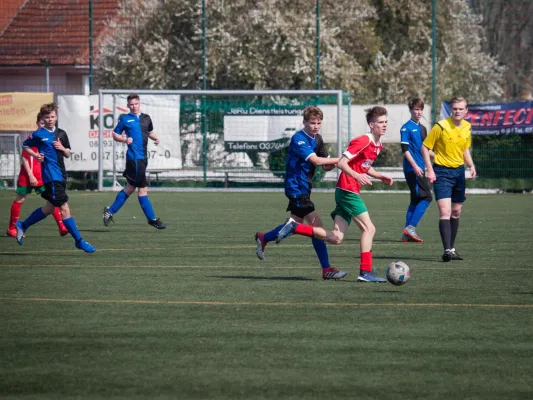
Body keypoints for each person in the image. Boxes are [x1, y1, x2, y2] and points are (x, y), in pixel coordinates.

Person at [276, 106, 394, 282]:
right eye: (380, 122)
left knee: (336, 238)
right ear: (371, 124)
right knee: (369, 229)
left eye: (386, 122)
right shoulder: (363, 141)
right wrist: (356, 175)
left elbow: (363, 165)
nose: (384, 125)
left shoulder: (378, 145)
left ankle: (296, 227)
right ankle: (365, 272)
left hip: (347, 191)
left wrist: (379, 176)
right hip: (348, 190)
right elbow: (343, 162)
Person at [254, 106, 346, 280]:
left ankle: (263, 237)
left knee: (296, 222)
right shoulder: (299, 139)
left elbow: (325, 164)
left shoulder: (317, 139)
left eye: (319, 123)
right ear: (304, 122)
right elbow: (316, 160)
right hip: (295, 187)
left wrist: (335, 161)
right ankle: (326, 269)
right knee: (317, 227)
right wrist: (341, 161)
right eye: (312, 123)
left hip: (304, 188)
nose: (316, 126)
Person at [14, 103, 95, 253]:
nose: (50, 119)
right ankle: (79, 241)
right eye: (47, 117)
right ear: (43, 119)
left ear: (56, 117)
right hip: (51, 176)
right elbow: (25, 146)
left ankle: (22, 225)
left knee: (49, 208)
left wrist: (62, 148)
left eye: (52, 116)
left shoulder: (62, 133)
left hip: (61, 175)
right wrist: (36, 155)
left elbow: (68, 153)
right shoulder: (38, 134)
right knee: (64, 208)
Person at [422, 97, 476, 262]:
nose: (458, 111)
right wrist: (430, 170)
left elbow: (465, 149)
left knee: (456, 212)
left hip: (459, 173)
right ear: (451, 110)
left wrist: (471, 165)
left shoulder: (467, 127)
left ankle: (452, 249)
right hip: (442, 173)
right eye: (455, 109)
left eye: (461, 109)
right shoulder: (441, 126)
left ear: (466, 111)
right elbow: (425, 147)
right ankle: (446, 250)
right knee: (445, 212)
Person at [103, 94, 166, 229]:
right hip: (134, 159)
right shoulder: (125, 119)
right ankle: (152, 219)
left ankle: (110, 210)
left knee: (130, 188)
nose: (133, 106)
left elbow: (149, 132)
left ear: (139, 104)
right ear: (128, 106)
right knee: (142, 189)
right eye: (131, 104)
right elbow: (115, 134)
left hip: (142, 158)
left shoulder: (146, 118)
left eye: (135, 104)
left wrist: (156, 138)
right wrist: (125, 140)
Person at [7, 113, 68, 238]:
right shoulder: (35, 137)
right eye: (42, 122)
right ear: (38, 124)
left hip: (42, 175)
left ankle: (62, 226)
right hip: (28, 175)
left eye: (49, 119)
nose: (45, 124)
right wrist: (31, 175)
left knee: (52, 200)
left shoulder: (50, 138)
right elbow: (24, 157)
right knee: (20, 199)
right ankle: (12, 227)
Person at [400, 98, 433, 242]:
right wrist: (415, 166)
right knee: (427, 197)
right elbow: (405, 150)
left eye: (420, 109)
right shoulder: (405, 127)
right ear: (410, 110)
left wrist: (439, 156)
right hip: (412, 169)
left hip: (420, 168)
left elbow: (425, 150)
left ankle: (406, 235)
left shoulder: (423, 128)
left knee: (415, 200)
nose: (418, 112)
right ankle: (411, 227)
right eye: (416, 109)